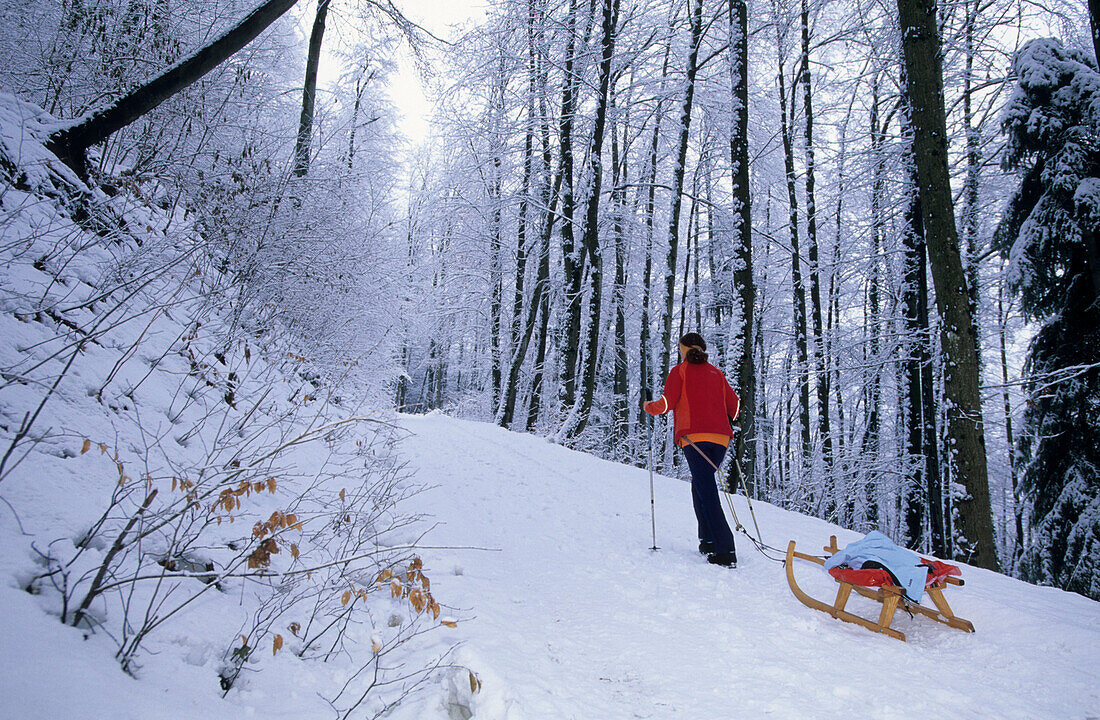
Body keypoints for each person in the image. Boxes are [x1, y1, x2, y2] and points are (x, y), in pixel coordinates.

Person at [644, 333, 740, 567]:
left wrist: (648, 407)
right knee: (700, 485)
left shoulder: (680, 371)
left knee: (705, 489)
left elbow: (667, 403)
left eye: (680, 349)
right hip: (721, 439)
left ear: (684, 349)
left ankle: (726, 550)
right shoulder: (716, 373)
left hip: (694, 438)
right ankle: (707, 541)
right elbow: (735, 406)